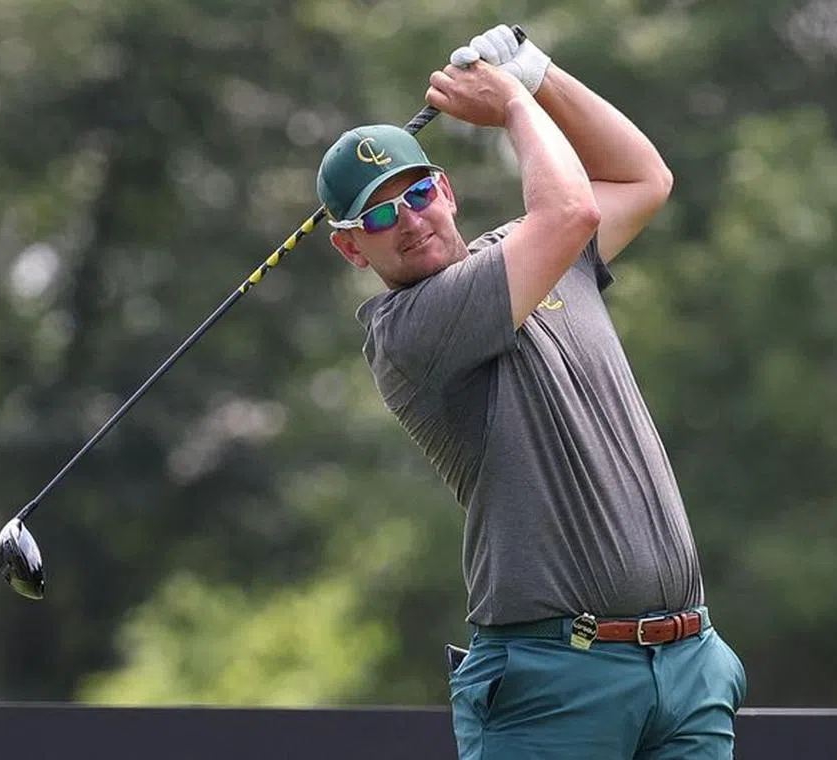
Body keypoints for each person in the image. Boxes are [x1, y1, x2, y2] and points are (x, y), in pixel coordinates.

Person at [315, 24, 746, 760]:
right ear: (352, 247)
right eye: (380, 216)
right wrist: (515, 104)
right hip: (554, 678)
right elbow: (572, 212)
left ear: (446, 191)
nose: (410, 220)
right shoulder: (407, 331)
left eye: (418, 193)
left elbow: (643, 180)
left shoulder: (535, 253)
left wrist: (539, 71)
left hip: (686, 662)